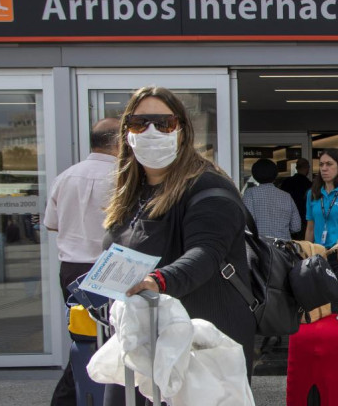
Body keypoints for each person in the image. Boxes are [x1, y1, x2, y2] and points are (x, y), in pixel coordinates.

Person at [103, 86, 256, 405]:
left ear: (183, 132)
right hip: (144, 339)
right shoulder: (133, 193)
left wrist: (155, 281)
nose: (151, 132)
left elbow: (205, 254)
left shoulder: (210, 187)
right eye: (139, 123)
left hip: (203, 337)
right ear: (126, 132)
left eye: (164, 123)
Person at [45, 117, 119, 406]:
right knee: (114, 341)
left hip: (72, 270)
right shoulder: (124, 177)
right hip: (110, 270)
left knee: (83, 340)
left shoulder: (65, 177)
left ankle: (74, 397)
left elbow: (52, 225)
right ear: (118, 142)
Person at [304, 148, 338, 311]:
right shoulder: (313, 193)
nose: (324, 168)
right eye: (321, 165)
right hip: (320, 256)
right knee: (320, 307)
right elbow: (310, 228)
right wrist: (306, 254)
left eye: (329, 164)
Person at [243, 158, 301, 240]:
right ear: (275, 175)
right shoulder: (287, 196)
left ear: (255, 175)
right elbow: (296, 227)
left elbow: (247, 224)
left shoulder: (250, 194)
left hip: (260, 247)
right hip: (283, 248)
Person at [281, 157, 312, 239]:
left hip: (286, 220)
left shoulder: (287, 182)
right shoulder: (309, 185)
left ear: (296, 168)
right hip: (304, 221)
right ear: (307, 168)